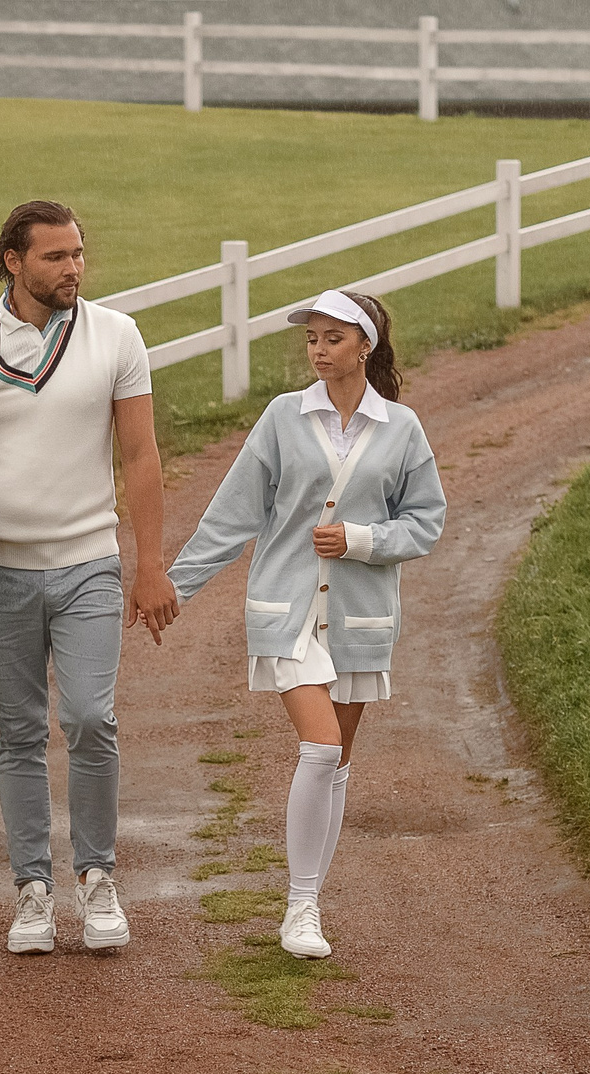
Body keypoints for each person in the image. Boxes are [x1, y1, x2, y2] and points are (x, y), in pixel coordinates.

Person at [0, 200, 179, 955]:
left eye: (79, 254)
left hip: (89, 561)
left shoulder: (116, 336)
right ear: (13, 262)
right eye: (56, 257)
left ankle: (97, 878)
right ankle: (33, 888)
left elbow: (141, 457)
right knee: (19, 731)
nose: (74, 269)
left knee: (91, 716)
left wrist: (149, 564)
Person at [151, 289, 446, 960]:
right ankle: (301, 908)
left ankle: (309, 901)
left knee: (337, 763)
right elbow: (233, 514)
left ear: (365, 346)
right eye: (311, 338)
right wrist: (176, 585)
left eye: (331, 338)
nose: (317, 349)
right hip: (286, 613)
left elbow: (426, 521)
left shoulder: (402, 428)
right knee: (319, 748)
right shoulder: (282, 418)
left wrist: (363, 539)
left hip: (360, 619)